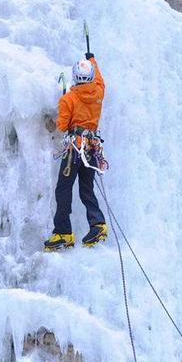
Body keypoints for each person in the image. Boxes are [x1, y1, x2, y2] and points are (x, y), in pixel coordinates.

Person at [44, 52, 108, 252]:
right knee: (86, 188)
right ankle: (98, 225)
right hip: (91, 148)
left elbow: (62, 126)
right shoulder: (98, 93)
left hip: (74, 149)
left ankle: (63, 232)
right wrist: (92, 60)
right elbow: (100, 81)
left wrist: (63, 103)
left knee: (63, 189)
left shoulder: (69, 99)